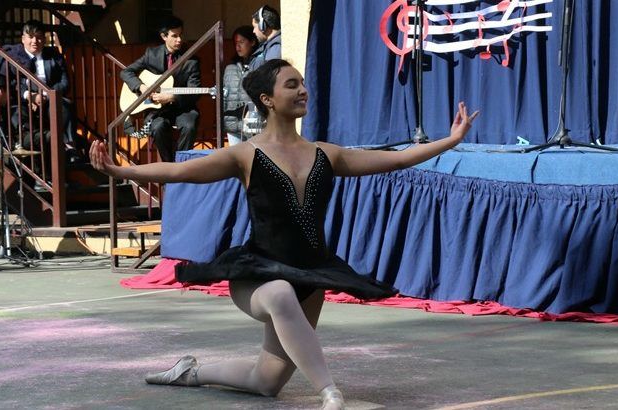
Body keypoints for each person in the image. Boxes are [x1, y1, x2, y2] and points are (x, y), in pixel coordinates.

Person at [90, 59, 479, 409]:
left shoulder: (327, 154)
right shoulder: (245, 154)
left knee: (267, 380)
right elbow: (179, 172)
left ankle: (191, 372)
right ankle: (330, 393)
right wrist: (122, 171)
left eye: (303, 83)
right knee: (278, 294)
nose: (303, 90)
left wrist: (450, 141)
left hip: (310, 275)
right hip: (258, 274)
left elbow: (394, 159)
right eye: (292, 85)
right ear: (268, 100)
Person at [120, 15, 201, 162]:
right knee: (157, 127)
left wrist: (172, 97)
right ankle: (168, 164)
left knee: (189, 125)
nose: (179, 40)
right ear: (164, 36)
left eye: (181, 35)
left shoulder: (191, 60)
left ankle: (181, 165)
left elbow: (194, 91)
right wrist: (142, 87)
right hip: (156, 110)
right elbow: (126, 72)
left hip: (182, 108)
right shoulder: (151, 54)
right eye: (174, 36)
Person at [4, 20, 82, 165]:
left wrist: (45, 95)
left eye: (39, 37)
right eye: (31, 37)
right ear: (23, 39)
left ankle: (69, 147)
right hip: (25, 100)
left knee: (65, 105)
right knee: (17, 112)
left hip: (49, 97)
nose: (35, 41)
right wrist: (29, 96)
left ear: (44, 39)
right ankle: (25, 148)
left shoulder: (53, 55)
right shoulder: (15, 56)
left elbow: (65, 83)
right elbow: (12, 83)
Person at [223, 25, 258, 146]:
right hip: (232, 125)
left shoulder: (258, 65)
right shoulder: (230, 68)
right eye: (236, 43)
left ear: (252, 42)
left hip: (253, 125)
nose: (238, 46)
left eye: (241, 42)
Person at [249, 5, 282, 71]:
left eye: (255, 27)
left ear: (263, 26)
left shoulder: (275, 47)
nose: (253, 31)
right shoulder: (268, 45)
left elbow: (270, 73)